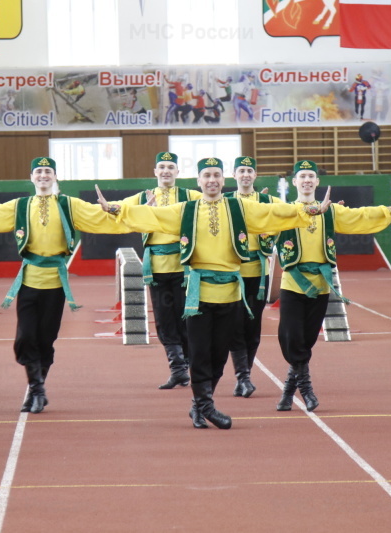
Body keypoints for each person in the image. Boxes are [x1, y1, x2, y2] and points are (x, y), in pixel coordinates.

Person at [96, 157, 327, 430]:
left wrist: (310, 210)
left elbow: (274, 213)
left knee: (219, 356)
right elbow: (153, 216)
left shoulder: (239, 208)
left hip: (229, 294)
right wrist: (114, 208)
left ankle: (198, 406)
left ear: (223, 179)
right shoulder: (186, 210)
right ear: (198, 180)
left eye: (216, 175)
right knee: (200, 353)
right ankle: (206, 406)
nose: (212, 180)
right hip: (198, 295)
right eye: (207, 175)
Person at [0, 157, 131, 414]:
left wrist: (130, 210)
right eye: (38, 171)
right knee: (25, 338)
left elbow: (100, 216)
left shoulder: (69, 205)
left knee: (46, 339)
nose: (43, 175)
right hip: (28, 282)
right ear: (31, 177)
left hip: (56, 283)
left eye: (48, 171)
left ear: (55, 177)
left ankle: (37, 388)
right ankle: (37, 389)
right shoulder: (21, 206)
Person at [275, 160, 391, 413]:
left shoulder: (331, 211)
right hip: (293, 283)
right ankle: (306, 389)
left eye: (311, 176)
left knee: (306, 340)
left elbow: (361, 216)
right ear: (294, 182)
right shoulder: (284, 211)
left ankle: (288, 391)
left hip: (320, 284)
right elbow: (258, 219)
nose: (306, 180)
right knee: (291, 337)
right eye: (302, 176)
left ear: (317, 182)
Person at [116, 152, 201, 390]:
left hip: (184, 270)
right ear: (155, 171)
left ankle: (189, 366)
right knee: (164, 320)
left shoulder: (190, 196)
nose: (166, 171)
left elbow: (217, 203)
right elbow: (118, 209)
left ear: (177, 172)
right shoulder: (143, 197)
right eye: (161, 167)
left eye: (170, 167)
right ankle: (177, 369)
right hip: (156, 270)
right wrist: (107, 207)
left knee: (187, 318)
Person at [222, 156, 281, 398]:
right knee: (234, 325)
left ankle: (244, 376)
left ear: (255, 175)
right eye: (241, 170)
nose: (246, 174)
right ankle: (243, 377)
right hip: (232, 273)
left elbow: (291, 213)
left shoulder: (268, 201)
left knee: (253, 327)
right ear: (234, 175)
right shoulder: (224, 201)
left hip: (259, 273)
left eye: (250, 170)